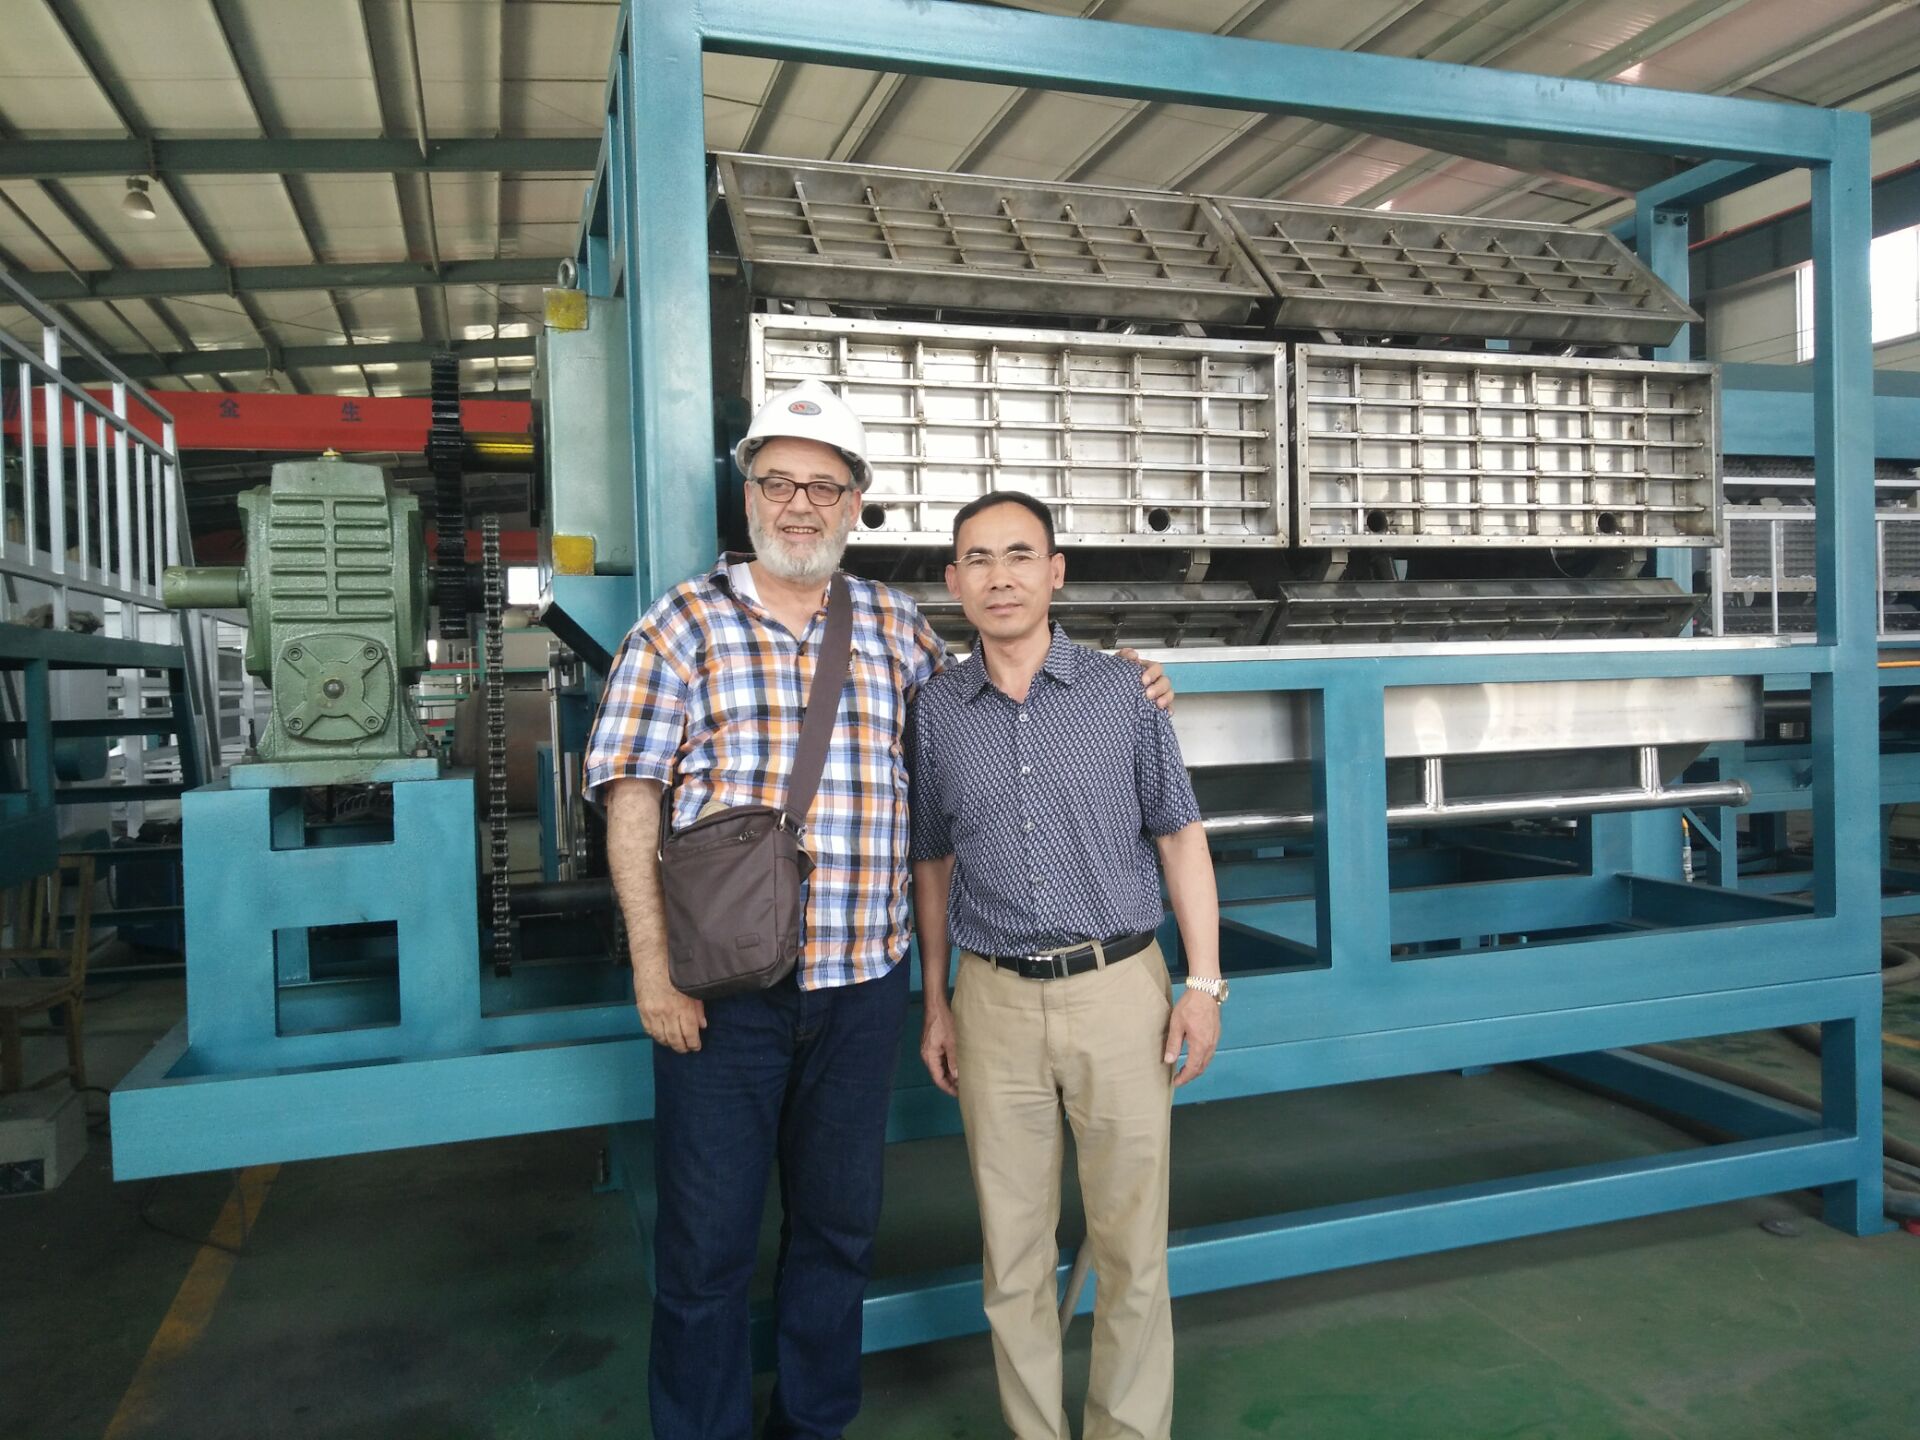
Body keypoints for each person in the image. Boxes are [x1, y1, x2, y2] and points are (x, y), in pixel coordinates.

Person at [583, 384, 1171, 1440]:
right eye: (778, 483)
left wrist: (1122, 681)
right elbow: (632, 799)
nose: (799, 505)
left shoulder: (894, 628)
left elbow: (997, 707)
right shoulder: (681, 625)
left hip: (859, 989)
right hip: (721, 996)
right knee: (707, 1249)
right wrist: (651, 967)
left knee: (837, 1234)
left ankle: (812, 1426)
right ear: (748, 495)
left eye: (824, 487)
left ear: (856, 504)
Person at [910, 489, 1224, 1440]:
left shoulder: (1124, 694)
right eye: (977, 559)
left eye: (1019, 555)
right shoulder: (935, 711)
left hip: (1120, 991)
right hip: (993, 1000)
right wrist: (936, 1000)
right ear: (954, 582)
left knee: (1131, 1248)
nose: (999, 576)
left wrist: (1202, 985)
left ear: (1055, 572)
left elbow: (1180, 837)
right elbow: (932, 863)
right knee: (1012, 1254)